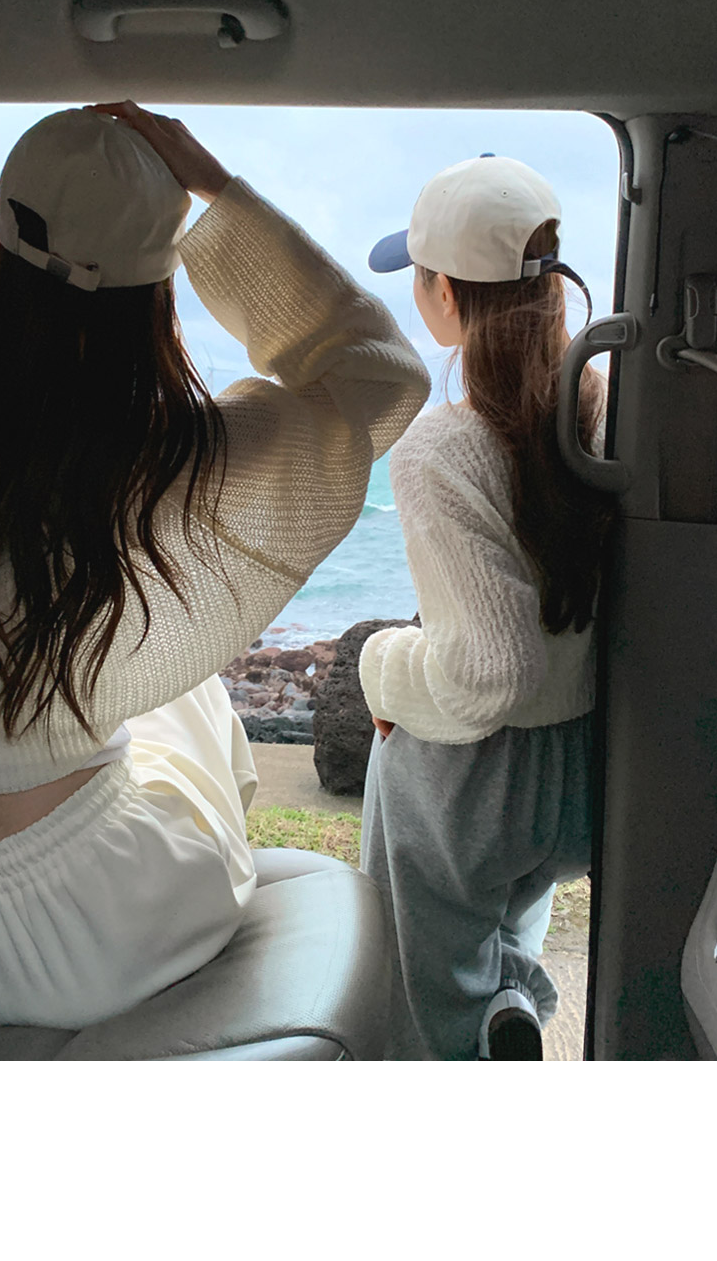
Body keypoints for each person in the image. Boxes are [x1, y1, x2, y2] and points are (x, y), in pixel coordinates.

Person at [0, 102, 427, 1036]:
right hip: (108, 924)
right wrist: (219, 192)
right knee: (189, 694)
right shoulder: (159, 459)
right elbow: (382, 378)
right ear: (155, 293)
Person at [358, 155, 610, 1060]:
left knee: (422, 991)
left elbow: (489, 673)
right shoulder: (601, 408)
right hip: (580, 769)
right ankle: (512, 1007)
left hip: (468, 786)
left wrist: (380, 666)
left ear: (444, 294)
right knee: (513, 915)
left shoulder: (439, 449)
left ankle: (466, 1046)